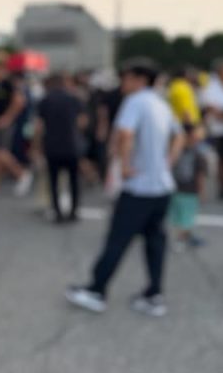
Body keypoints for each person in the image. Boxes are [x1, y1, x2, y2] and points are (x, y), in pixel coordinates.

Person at [67, 58, 183, 318]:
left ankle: (96, 290)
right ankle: (154, 294)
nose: (123, 83)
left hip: (139, 187)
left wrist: (125, 165)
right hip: (162, 186)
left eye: (127, 77)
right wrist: (168, 162)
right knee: (155, 241)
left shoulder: (135, 102)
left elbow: (125, 134)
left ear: (140, 79)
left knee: (117, 239)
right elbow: (180, 135)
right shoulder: (161, 103)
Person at [0, 57, 33, 198]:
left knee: (0, 152)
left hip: (2, 123)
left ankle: (21, 174)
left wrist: (7, 118)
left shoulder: (8, 83)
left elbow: (19, 101)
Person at [36, 73, 85, 222]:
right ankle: (74, 210)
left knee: (53, 180)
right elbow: (82, 121)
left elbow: (39, 126)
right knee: (74, 180)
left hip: (52, 145)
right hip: (72, 144)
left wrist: (36, 146)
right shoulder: (74, 99)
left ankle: (57, 211)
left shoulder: (45, 100)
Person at [169, 123, 208, 251]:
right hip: (190, 190)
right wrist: (201, 191)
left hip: (175, 188)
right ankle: (181, 239)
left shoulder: (174, 150)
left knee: (177, 215)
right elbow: (200, 175)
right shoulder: (198, 153)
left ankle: (186, 236)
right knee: (187, 217)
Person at [200, 58, 223, 200]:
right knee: (222, 160)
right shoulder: (211, 87)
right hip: (218, 130)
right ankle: (222, 186)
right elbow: (210, 107)